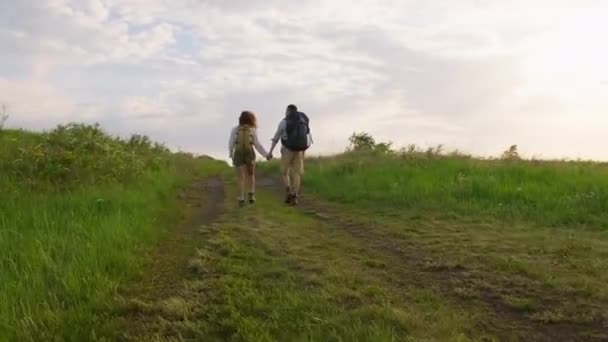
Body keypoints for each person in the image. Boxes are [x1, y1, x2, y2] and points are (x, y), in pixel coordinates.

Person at [268, 104, 312, 206]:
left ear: (287, 111)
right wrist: (303, 152)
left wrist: (270, 152)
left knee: (284, 172)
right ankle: (295, 196)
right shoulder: (303, 120)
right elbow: (305, 136)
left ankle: (288, 191)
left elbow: (276, 138)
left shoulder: (284, 122)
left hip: (287, 150)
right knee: (297, 173)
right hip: (299, 150)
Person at [228, 111, 271, 207]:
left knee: (240, 178)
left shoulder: (234, 130)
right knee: (251, 175)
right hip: (249, 153)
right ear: (251, 120)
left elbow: (231, 143)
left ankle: (241, 198)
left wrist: (231, 154)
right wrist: (266, 154)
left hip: (238, 153)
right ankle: (251, 194)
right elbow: (257, 145)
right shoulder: (252, 130)